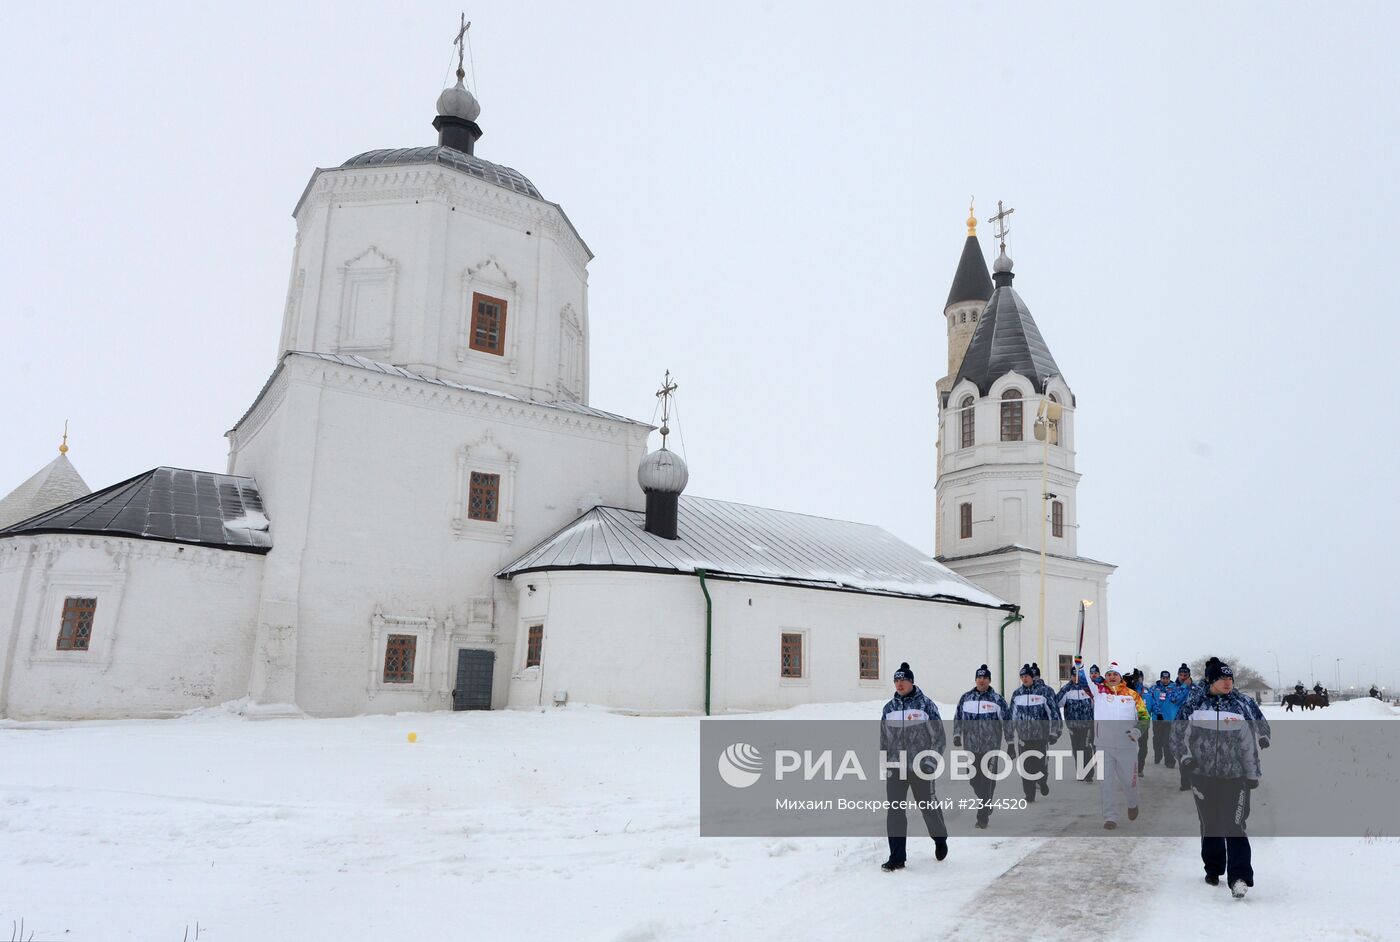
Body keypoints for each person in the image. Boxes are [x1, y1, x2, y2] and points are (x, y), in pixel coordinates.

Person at [1172, 656, 1272, 899]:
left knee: (1235, 824)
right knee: (1211, 824)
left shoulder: (1241, 703)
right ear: (1210, 681)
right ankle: (1214, 867)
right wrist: (1186, 759)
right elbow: (1178, 733)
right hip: (1203, 775)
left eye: (1230, 678)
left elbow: (1256, 732)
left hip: (1235, 777)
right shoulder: (1195, 704)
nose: (1227, 683)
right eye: (1222, 678)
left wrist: (1252, 772)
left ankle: (1239, 877)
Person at [880, 662, 948, 870]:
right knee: (895, 811)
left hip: (921, 767)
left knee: (928, 807)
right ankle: (897, 857)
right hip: (896, 767)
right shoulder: (889, 708)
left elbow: (939, 738)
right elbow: (884, 738)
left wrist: (929, 762)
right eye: (896, 680)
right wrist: (886, 763)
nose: (899, 684)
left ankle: (939, 838)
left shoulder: (925, 706)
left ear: (911, 681)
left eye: (903, 680)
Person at [1073, 656, 1148, 829]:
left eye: (1115, 674)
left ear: (1120, 677)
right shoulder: (1098, 692)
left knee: (1130, 782)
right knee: (1105, 783)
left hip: (1127, 746)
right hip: (1103, 745)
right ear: (1105, 677)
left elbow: (1144, 717)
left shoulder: (1132, 695)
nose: (1112, 677)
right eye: (1109, 674)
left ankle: (1132, 803)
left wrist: (1137, 731)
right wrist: (1080, 666)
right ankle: (1110, 817)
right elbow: (1084, 681)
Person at [953, 664, 1010, 829]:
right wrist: (957, 735)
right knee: (973, 779)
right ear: (976, 679)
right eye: (979, 677)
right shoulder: (966, 698)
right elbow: (958, 717)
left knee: (986, 780)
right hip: (970, 745)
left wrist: (1011, 742)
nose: (982, 680)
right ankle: (987, 801)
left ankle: (982, 817)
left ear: (989, 680)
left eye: (985, 677)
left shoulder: (997, 700)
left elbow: (1007, 722)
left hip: (991, 747)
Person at [1007, 663, 1062, 802]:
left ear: (1033, 677)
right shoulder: (1017, 694)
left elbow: (1053, 713)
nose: (1025, 679)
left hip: (1040, 736)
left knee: (1040, 764)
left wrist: (1054, 732)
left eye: (1027, 676)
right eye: (1022, 676)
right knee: (1026, 767)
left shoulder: (1043, 692)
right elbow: (1011, 717)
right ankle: (1029, 795)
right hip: (1024, 737)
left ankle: (1042, 782)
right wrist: (1010, 740)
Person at [1057, 663, 1096, 782]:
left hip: (1087, 724)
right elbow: (1057, 703)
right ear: (1071, 676)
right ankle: (1080, 772)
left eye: (1077, 676)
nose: (1075, 678)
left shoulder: (1088, 688)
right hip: (1072, 725)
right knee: (1076, 749)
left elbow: (1097, 702)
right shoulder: (1066, 689)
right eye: (1074, 676)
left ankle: (1089, 773)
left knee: (1086, 747)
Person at [1144, 670, 1185, 767]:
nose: (1165, 680)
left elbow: (1179, 699)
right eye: (1163, 678)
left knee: (1167, 741)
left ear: (1169, 679)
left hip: (1169, 719)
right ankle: (1158, 754)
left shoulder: (1175, 688)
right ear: (1160, 678)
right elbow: (1149, 701)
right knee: (1157, 739)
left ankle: (1169, 761)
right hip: (1157, 718)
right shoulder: (1154, 689)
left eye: (1167, 678)